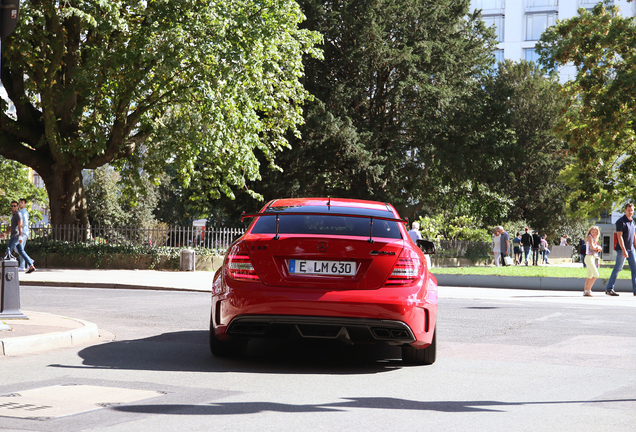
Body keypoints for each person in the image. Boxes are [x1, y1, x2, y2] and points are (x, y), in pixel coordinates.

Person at [605, 203, 636, 296]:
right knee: (618, 268)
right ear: (625, 210)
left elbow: (633, 235)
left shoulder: (632, 221)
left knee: (635, 269)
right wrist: (623, 250)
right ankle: (609, 289)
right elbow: (619, 237)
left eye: (632, 210)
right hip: (622, 250)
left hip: (631, 249)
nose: (630, 212)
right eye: (629, 210)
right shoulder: (621, 221)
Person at [4, 200, 36, 273]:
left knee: (8, 251)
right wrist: (5, 233)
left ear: (17, 206)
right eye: (12, 206)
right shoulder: (15, 215)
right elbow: (13, 226)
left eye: (15, 206)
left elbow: (21, 225)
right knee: (21, 251)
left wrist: (21, 236)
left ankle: (4, 268)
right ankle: (31, 265)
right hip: (16, 235)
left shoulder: (19, 214)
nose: (13, 207)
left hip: (16, 235)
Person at [583, 226, 602, 296]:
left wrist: (598, 248)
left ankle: (585, 290)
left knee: (589, 276)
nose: (594, 233)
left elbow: (598, 248)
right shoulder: (590, 237)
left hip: (591, 258)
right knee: (596, 274)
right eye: (593, 232)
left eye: (595, 232)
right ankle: (588, 290)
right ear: (590, 232)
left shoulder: (595, 238)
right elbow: (593, 247)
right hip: (588, 258)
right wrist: (598, 248)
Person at [15, 198, 30, 271]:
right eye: (19, 202)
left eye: (22, 202)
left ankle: (25, 264)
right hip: (23, 232)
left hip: (23, 232)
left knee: (18, 248)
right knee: (20, 249)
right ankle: (24, 264)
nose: (20, 204)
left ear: (25, 204)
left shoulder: (24, 212)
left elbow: (24, 223)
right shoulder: (20, 212)